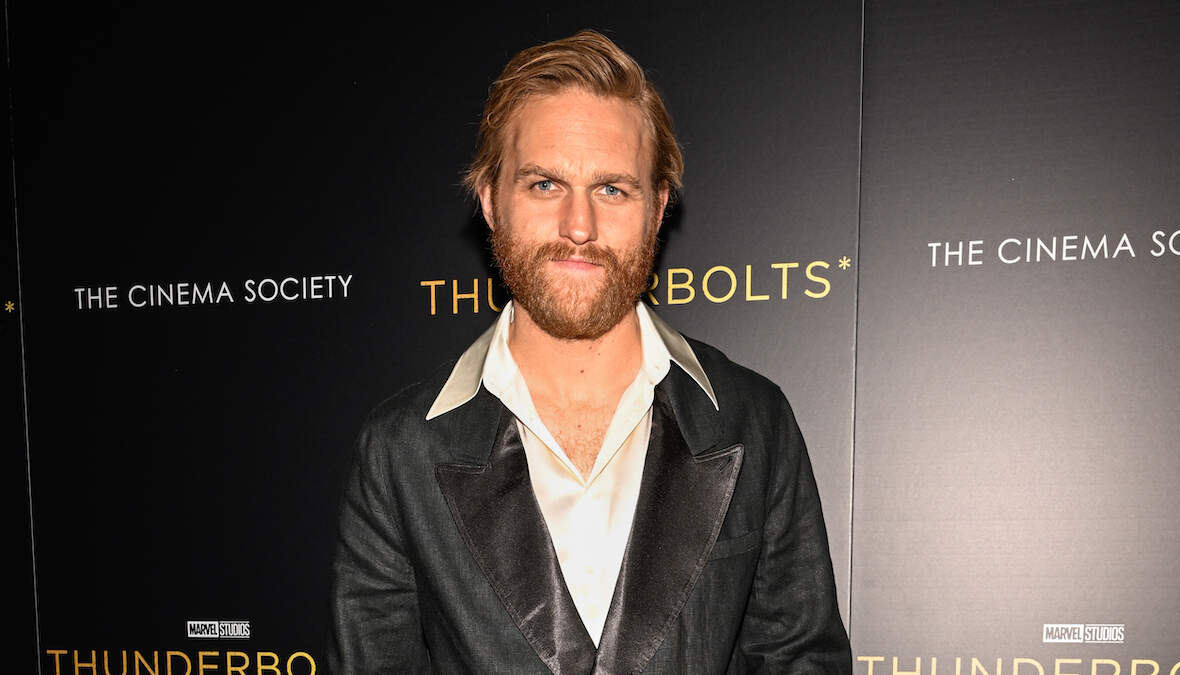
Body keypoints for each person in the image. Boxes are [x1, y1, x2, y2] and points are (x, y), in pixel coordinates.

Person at [328, 29, 850, 674]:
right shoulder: (400, 448)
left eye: (612, 189)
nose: (579, 226)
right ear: (490, 201)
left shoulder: (752, 419)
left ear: (657, 208)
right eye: (545, 184)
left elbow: (800, 660)